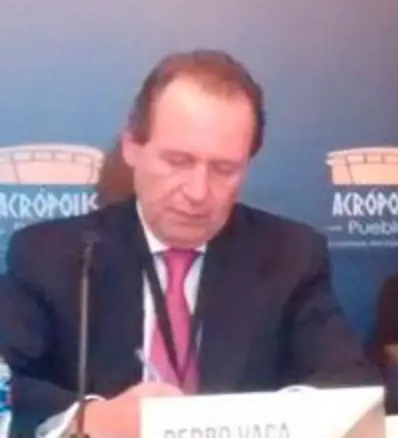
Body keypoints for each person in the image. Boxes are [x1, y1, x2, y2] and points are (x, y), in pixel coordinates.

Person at [0, 50, 378, 438]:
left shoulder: (290, 254)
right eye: (178, 161)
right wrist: (90, 418)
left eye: (224, 169)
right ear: (132, 146)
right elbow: (5, 379)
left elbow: (349, 383)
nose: (198, 192)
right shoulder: (52, 255)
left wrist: (258, 419)